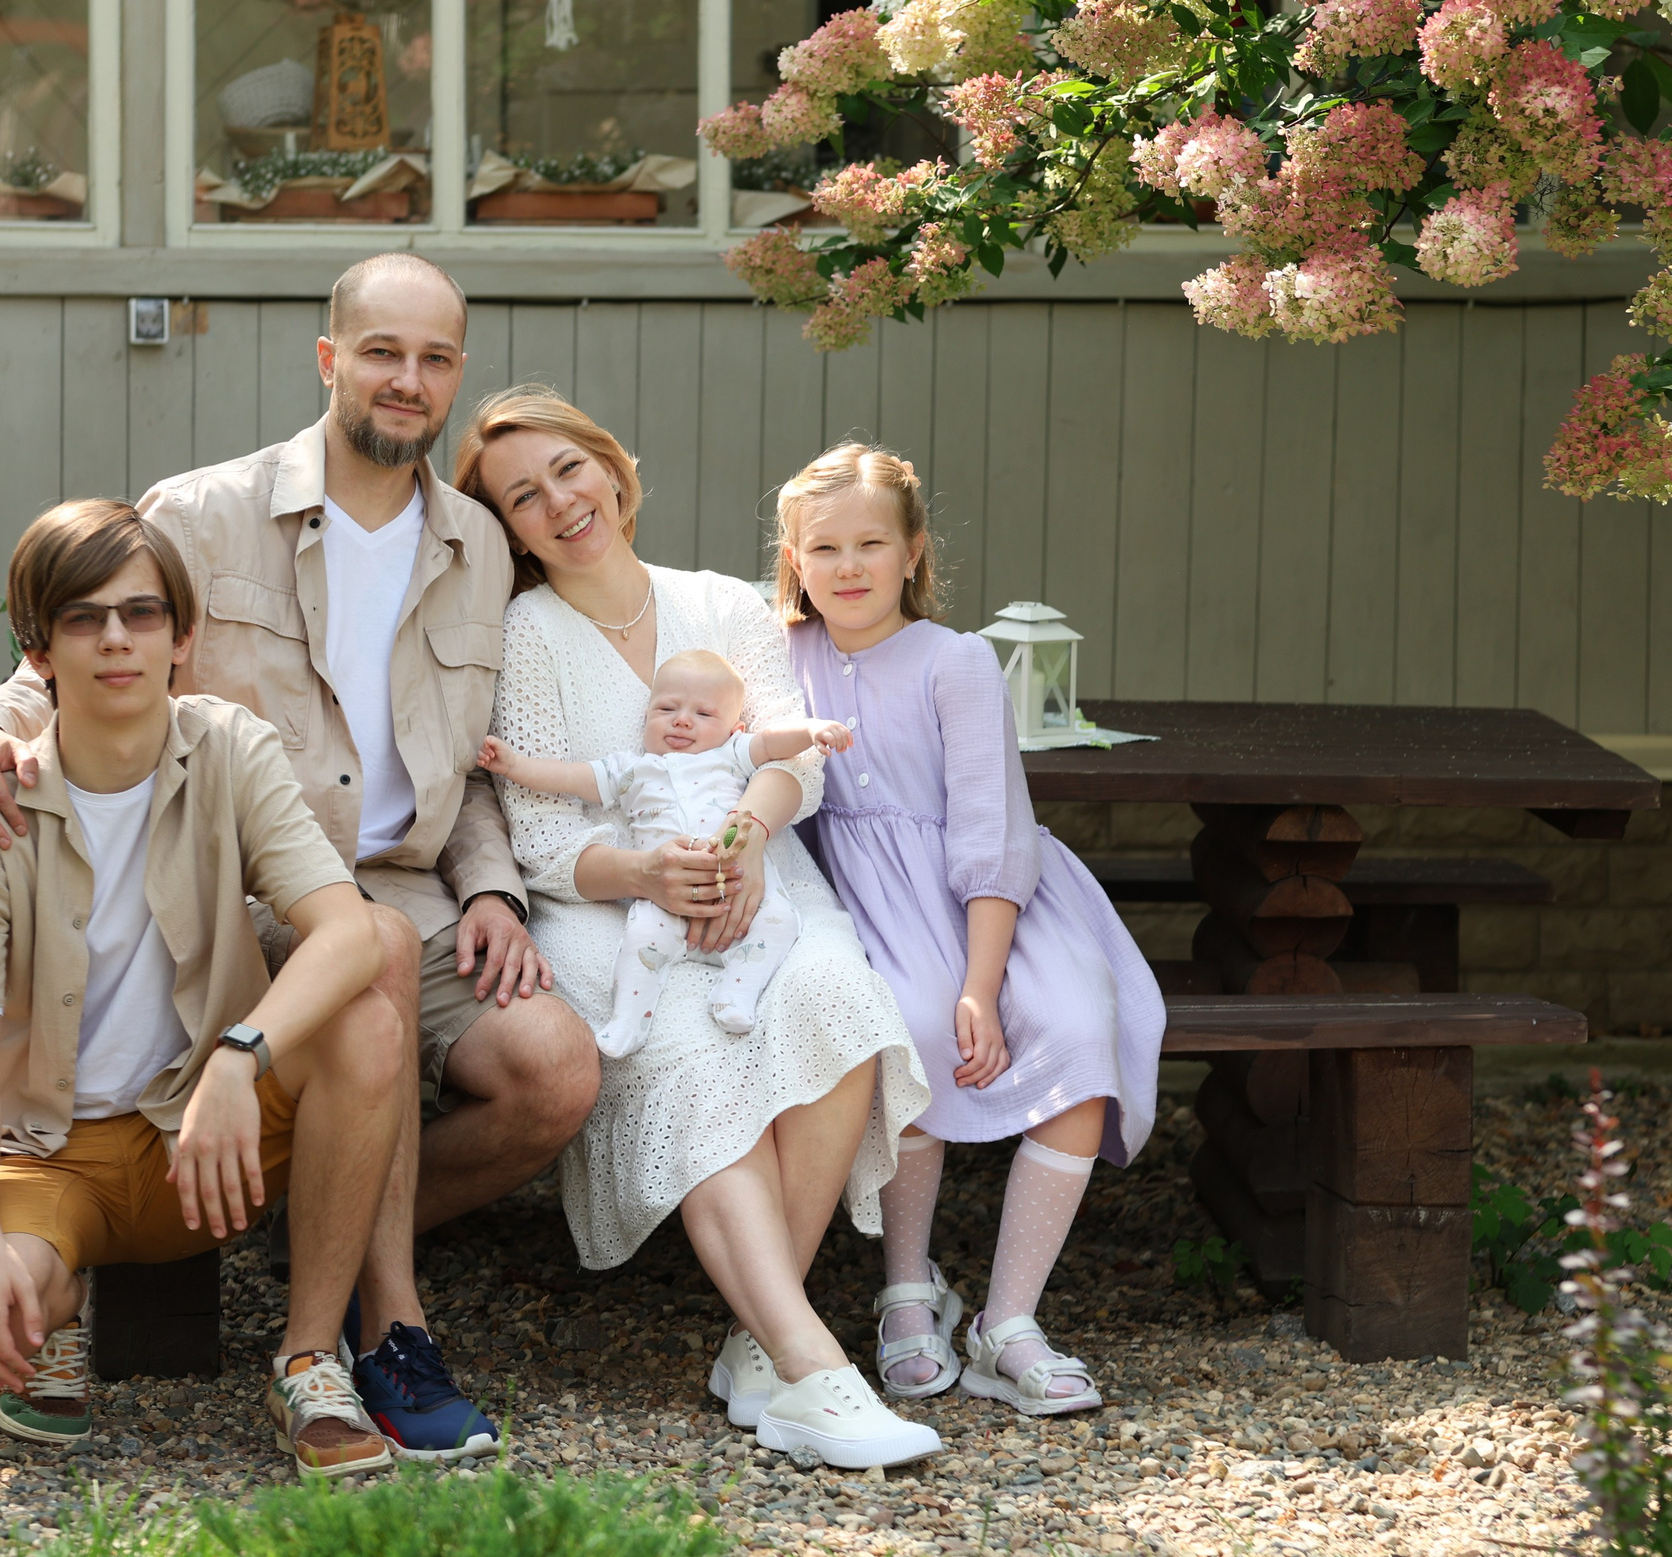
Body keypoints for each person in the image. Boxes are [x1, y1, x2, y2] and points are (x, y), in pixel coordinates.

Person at [0, 254, 598, 1461]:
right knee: (372, 955)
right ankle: (385, 1330)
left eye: (434, 359)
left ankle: (317, 1215)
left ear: (456, 376)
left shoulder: (480, 548)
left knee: (553, 1071)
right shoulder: (202, 512)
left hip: (406, 881)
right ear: (331, 359)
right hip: (231, 882)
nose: (407, 379)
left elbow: (470, 760)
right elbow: (86, 643)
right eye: (381, 352)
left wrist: (491, 885)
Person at [456, 384, 941, 1471]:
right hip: (608, 909)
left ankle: (758, 1348)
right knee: (686, 1043)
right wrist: (648, 874)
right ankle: (813, 1367)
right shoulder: (524, 634)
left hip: (760, 875)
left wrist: (745, 840)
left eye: (569, 470)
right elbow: (542, 833)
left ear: (612, 470)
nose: (559, 503)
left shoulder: (722, 603)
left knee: (833, 997)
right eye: (523, 496)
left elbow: (793, 753)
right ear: (509, 530)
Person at [0, 498, 411, 1478]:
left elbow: (349, 930)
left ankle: (309, 1359)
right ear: (39, 649)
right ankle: (54, 1310)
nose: (116, 639)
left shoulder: (230, 748)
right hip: (46, 1153)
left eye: (141, 614)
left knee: (367, 1021)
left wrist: (240, 1057)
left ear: (182, 638)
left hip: (205, 1138)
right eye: (84, 617)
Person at [775, 443, 1166, 1418]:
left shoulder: (955, 660)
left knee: (1074, 1025)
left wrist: (982, 986)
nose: (849, 567)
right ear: (793, 560)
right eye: (824, 548)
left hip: (992, 903)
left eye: (872, 543)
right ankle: (908, 1288)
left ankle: (1008, 1320)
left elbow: (991, 831)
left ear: (913, 551)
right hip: (866, 900)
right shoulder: (781, 656)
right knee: (905, 1024)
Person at [474, 649, 852, 1056]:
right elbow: (569, 776)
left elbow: (773, 741)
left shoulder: (730, 753)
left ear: (733, 729)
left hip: (738, 892)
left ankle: (736, 992)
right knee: (640, 938)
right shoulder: (631, 770)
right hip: (665, 898)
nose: (682, 720)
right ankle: (628, 1020)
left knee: (780, 921)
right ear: (646, 717)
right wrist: (514, 765)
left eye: (703, 714)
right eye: (667, 708)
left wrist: (811, 730)